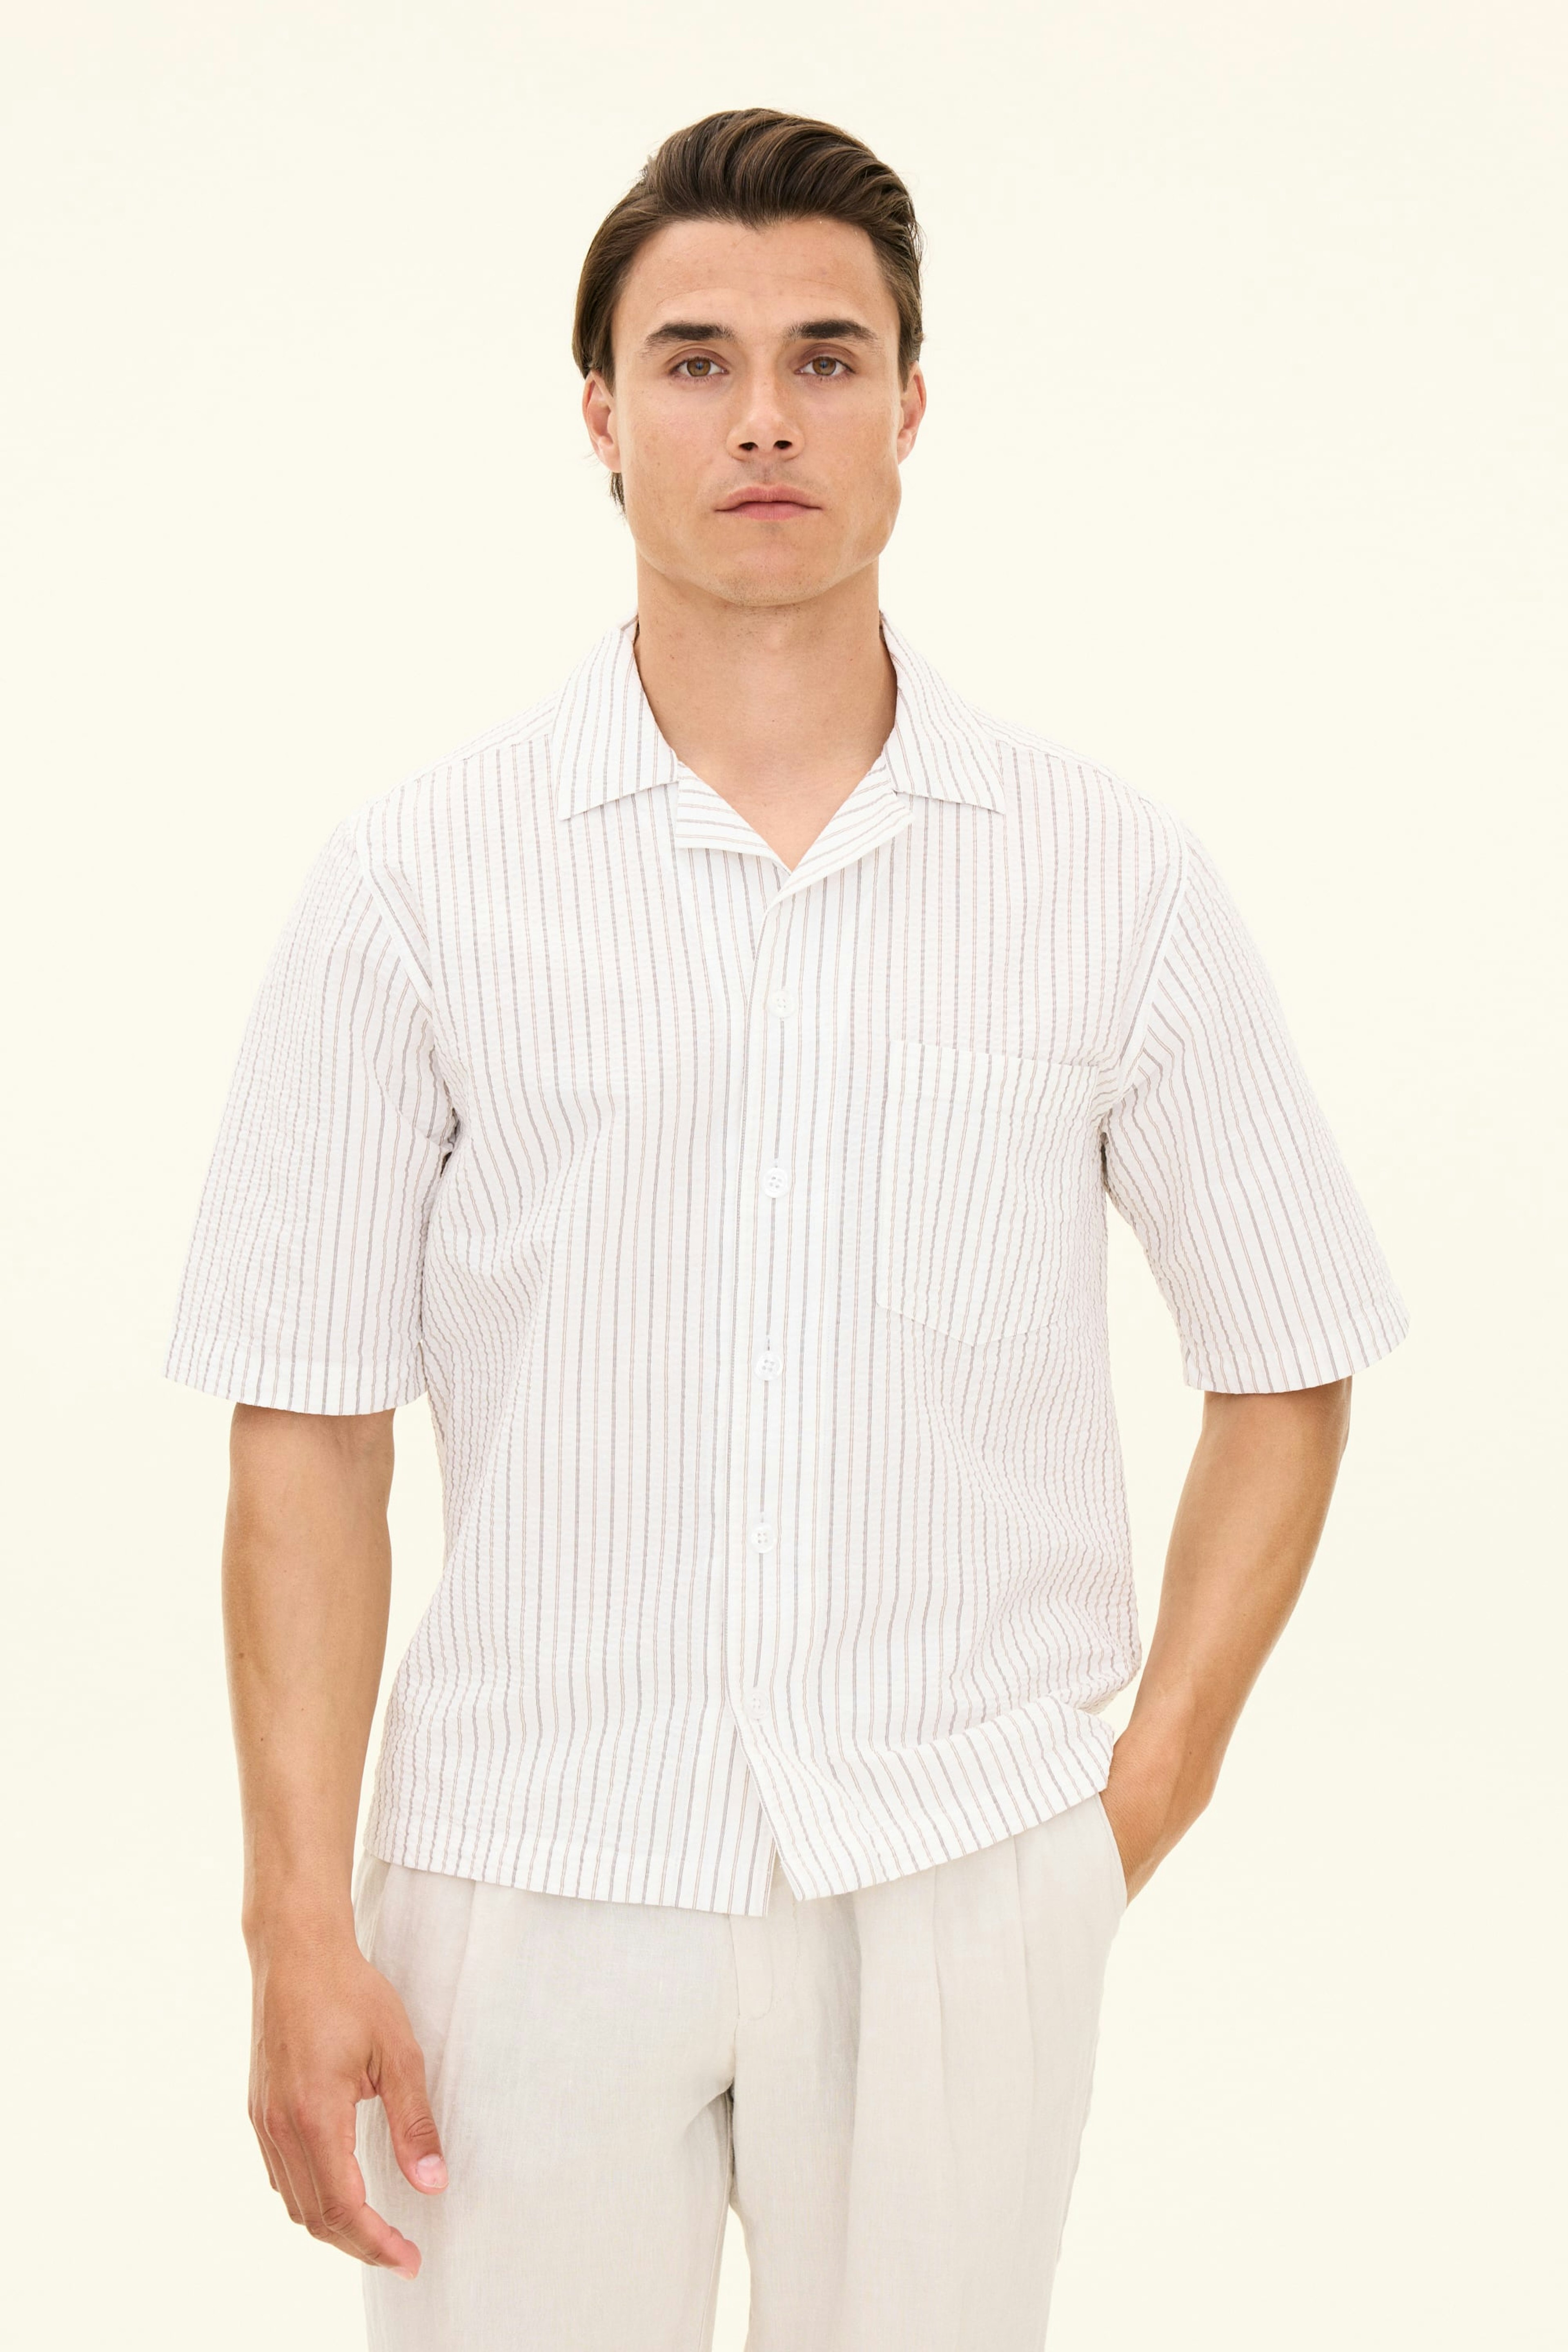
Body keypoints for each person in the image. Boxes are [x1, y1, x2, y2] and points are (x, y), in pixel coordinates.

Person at [165, 106, 1409, 2352]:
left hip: (960, 1863)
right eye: (696, 360)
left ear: (912, 410)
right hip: (528, 1871)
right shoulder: (417, 884)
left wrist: (1119, 1817)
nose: (764, 418)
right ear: (599, 416)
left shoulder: (1106, 875)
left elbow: (1288, 1355)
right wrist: (295, 1925)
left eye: (828, 358)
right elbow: (307, 1436)